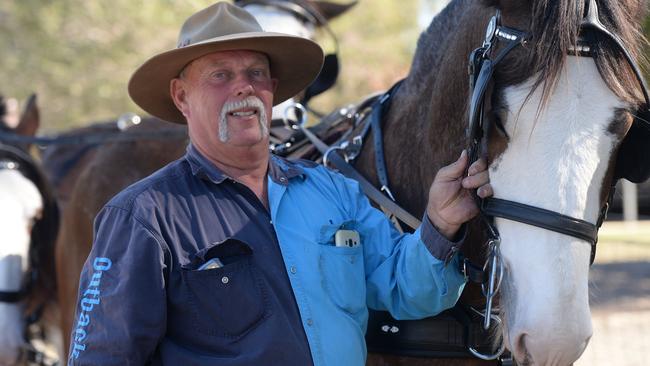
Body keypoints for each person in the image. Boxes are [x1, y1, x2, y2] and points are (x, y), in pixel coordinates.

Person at [67, 2, 492, 365]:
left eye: (255, 73)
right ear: (181, 97)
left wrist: (439, 224)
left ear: (272, 90)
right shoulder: (142, 217)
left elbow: (404, 288)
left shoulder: (334, 192)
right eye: (220, 75)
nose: (243, 88)